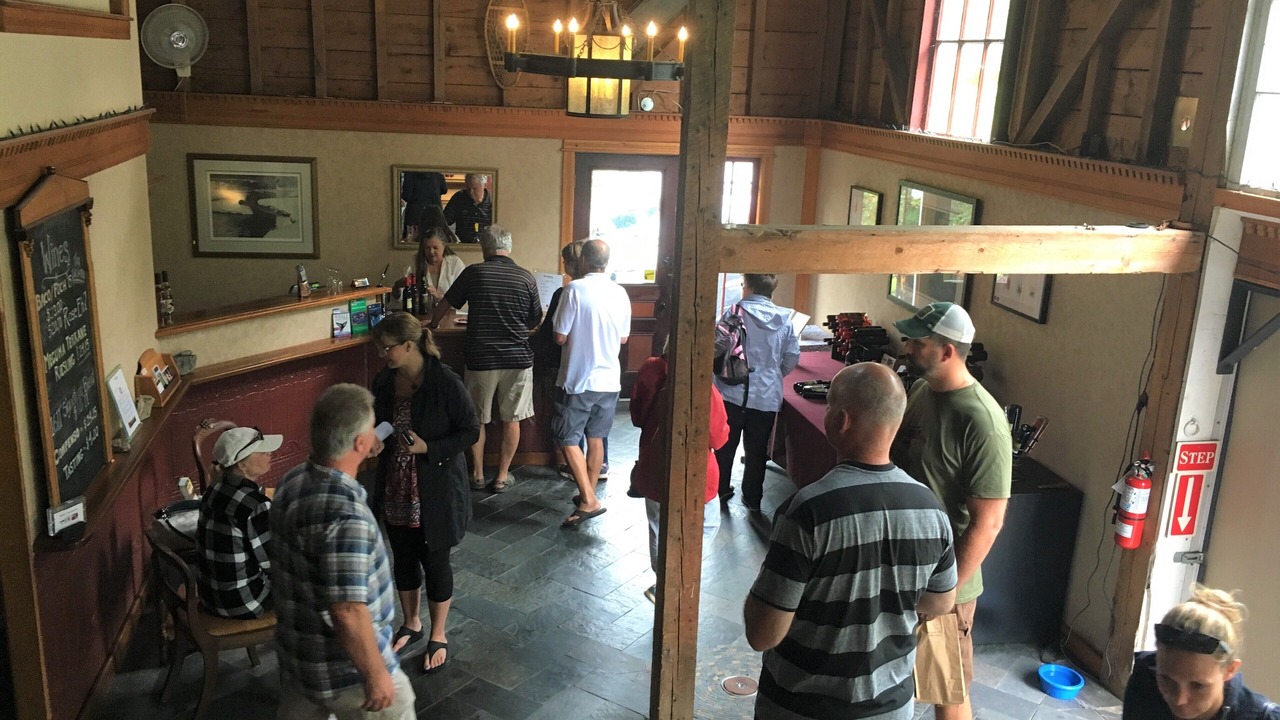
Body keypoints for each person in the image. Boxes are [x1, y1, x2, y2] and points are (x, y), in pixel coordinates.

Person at [744, 362, 957, 720]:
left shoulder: (809, 511)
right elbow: (940, 601)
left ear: (841, 420)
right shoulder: (931, 510)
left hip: (801, 707)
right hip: (890, 707)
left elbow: (763, 634)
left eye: (829, 405)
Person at [889, 301, 1012, 720]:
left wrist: (945, 592)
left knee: (946, 690)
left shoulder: (983, 422)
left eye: (917, 342)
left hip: (943, 581)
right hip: (900, 567)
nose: (907, 348)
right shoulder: (922, 392)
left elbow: (988, 523)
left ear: (946, 351)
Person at [270, 384, 415, 719]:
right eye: (371, 428)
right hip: (343, 672)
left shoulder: (291, 481)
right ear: (360, 443)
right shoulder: (347, 517)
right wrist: (376, 675)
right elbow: (347, 610)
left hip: (299, 658)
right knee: (398, 706)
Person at [370, 313, 479, 673]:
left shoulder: (445, 382)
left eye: (387, 348)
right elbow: (381, 422)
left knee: (435, 560)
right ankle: (411, 622)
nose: (382, 354)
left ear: (408, 345)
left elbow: (470, 431)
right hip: (395, 483)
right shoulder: (385, 381)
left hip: (434, 487)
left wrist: (428, 448)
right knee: (402, 556)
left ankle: (439, 632)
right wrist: (376, 439)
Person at [430, 225, 542, 492]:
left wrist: (432, 325)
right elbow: (535, 319)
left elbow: (447, 303)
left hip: (481, 358)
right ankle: (502, 476)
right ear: (509, 247)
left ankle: (478, 474)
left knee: (477, 418)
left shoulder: (474, 272)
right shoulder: (525, 277)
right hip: (517, 359)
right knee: (512, 418)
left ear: (485, 248)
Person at [630, 341, 729, 603]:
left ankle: (663, 580)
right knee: (708, 522)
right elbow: (718, 438)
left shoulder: (651, 368)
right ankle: (677, 575)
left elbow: (637, 415)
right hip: (696, 471)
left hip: (653, 462)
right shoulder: (702, 387)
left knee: (658, 524)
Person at [552, 239, 630, 527]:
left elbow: (559, 336)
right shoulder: (620, 292)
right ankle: (588, 495)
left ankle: (589, 499)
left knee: (567, 437)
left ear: (583, 260)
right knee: (596, 437)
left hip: (579, 378)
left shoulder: (574, 289)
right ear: (606, 262)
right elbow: (623, 338)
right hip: (609, 379)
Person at [713, 273, 800, 511]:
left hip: (731, 391)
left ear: (748, 287)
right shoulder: (784, 320)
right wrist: (773, 374)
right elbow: (792, 357)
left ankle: (721, 490)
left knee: (725, 445)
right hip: (765, 395)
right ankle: (752, 498)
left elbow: (717, 347)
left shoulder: (733, 313)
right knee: (757, 450)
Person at [1124, 585, 1278, 720]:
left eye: (1198, 686)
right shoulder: (1144, 681)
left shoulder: (1264, 717)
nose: (1179, 700)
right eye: (1166, 679)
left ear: (1230, 670)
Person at [535, 242, 611, 482]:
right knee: (597, 430)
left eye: (565, 261)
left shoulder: (569, 291)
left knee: (570, 430)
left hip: (571, 368)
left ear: (576, 262)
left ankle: (579, 477)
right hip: (606, 372)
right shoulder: (613, 291)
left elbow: (556, 336)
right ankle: (600, 467)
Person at [197, 425, 282, 620]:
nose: (269, 454)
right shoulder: (255, 505)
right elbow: (274, 563)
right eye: (262, 451)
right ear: (242, 464)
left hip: (210, 596)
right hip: (244, 602)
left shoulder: (214, 489)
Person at [415, 226, 466, 306]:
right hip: (422, 311)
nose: (431, 251)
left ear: (444, 247)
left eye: (435, 248)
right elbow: (402, 297)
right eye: (427, 248)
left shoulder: (455, 263)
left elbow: (463, 296)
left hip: (449, 312)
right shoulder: (416, 262)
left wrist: (440, 296)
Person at [443, 173, 492, 244]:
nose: (471, 192)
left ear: (484, 185)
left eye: (475, 189)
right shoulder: (459, 198)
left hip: (486, 246)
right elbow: (444, 221)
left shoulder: (492, 201)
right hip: (463, 245)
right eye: (468, 188)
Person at [401, 170, 446, 241]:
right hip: (435, 212)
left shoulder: (410, 171)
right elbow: (444, 189)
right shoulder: (436, 170)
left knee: (412, 241)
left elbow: (407, 195)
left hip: (415, 214)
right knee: (435, 238)